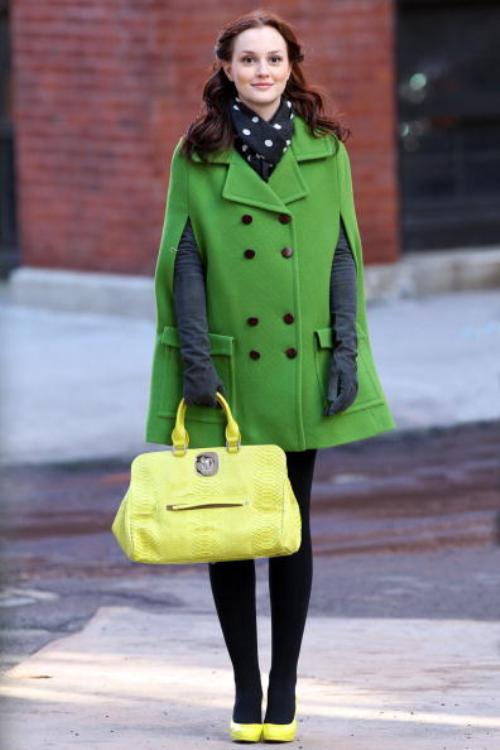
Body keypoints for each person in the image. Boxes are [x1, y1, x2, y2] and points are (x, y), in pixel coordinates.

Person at [144, 9, 396, 743]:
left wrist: (344, 351)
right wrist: (194, 360)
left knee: (289, 525)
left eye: (275, 58)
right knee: (225, 526)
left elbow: (344, 253)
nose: (262, 71)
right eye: (248, 59)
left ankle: (283, 685)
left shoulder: (326, 149)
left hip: (300, 364)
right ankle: (244, 685)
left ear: (293, 66)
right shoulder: (196, 153)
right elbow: (182, 260)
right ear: (225, 67)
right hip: (225, 366)